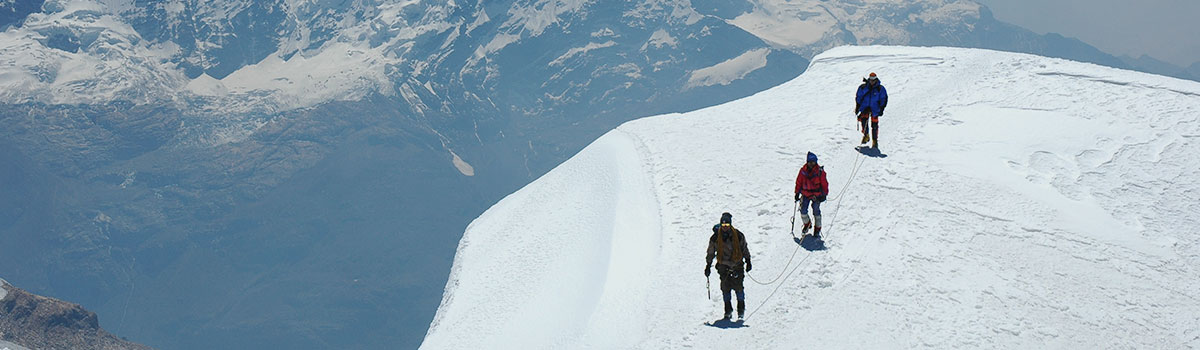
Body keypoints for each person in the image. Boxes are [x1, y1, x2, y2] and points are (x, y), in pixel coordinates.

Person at [705, 212, 752, 320]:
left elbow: (744, 248)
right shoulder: (715, 238)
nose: (725, 227)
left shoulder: (738, 235)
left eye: (727, 225)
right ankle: (728, 311)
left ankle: (741, 310)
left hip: (737, 265)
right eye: (723, 225)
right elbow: (711, 252)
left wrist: (748, 260)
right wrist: (708, 265)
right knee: (725, 289)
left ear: (730, 225)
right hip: (723, 266)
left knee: (739, 288)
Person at [794, 152, 829, 237]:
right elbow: (799, 182)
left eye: (813, 162)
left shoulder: (820, 172)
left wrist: (824, 194)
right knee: (803, 211)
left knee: (816, 211)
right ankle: (807, 223)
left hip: (816, 195)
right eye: (809, 162)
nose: (811, 164)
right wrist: (797, 192)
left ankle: (817, 228)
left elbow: (824, 184)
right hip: (805, 194)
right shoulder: (803, 171)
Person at [855, 72, 888, 148]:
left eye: (873, 80)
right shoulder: (863, 87)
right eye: (871, 80)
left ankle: (875, 140)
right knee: (864, 122)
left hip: (875, 109)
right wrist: (857, 107)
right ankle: (866, 135)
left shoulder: (880, 89)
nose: (872, 82)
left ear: (876, 80)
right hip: (865, 108)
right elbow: (858, 97)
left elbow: (884, 98)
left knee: (875, 125)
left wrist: (881, 108)